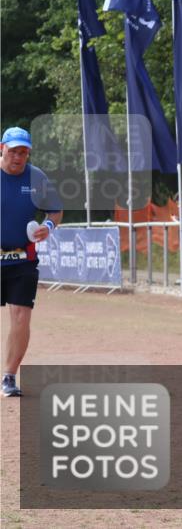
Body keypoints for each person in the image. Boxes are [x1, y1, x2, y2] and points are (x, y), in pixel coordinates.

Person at [1, 127, 63, 397]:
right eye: (14, 151)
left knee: (21, 316)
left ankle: (9, 377)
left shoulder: (36, 178)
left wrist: (48, 226)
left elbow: (55, 210)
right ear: (2, 148)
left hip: (23, 258)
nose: (18, 157)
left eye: (23, 152)